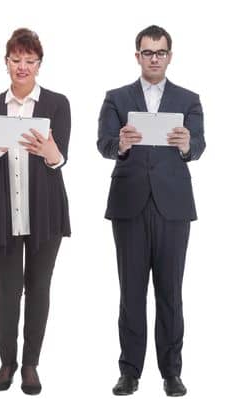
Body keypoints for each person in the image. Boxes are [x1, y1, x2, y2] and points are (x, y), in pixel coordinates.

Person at [98, 25, 202, 398]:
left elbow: (200, 145)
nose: (154, 58)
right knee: (131, 292)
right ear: (137, 55)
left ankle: (171, 373)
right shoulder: (117, 97)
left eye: (160, 52)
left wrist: (188, 145)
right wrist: (120, 144)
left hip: (173, 206)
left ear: (169, 56)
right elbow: (103, 144)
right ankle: (130, 371)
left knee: (170, 292)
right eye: (147, 52)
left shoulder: (188, 99)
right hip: (129, 204)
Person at [0, 28, 71, 396]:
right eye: (17, 60)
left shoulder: (57, 104)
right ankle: (7, 362)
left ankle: (31, 364)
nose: (23, 67)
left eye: (30, 60)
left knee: (39, 287)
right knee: (7, 289)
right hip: (2, 209)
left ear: (39, 64)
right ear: (6, 62)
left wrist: (52, 155)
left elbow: (61, 158)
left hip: (45, 211)